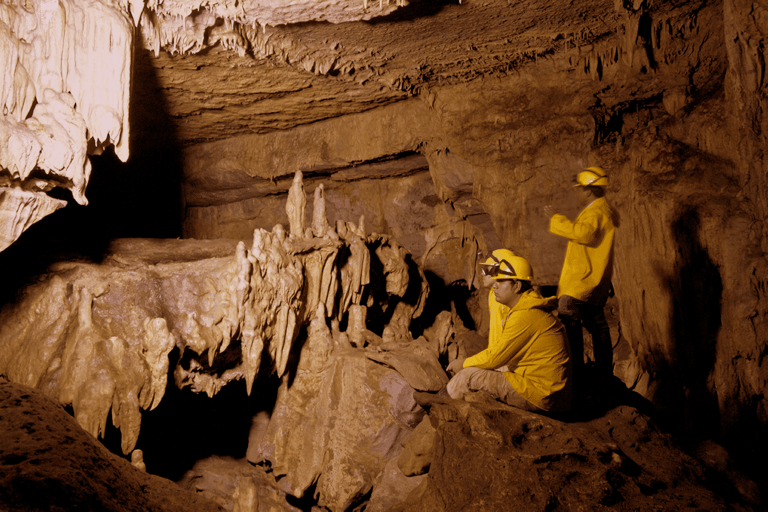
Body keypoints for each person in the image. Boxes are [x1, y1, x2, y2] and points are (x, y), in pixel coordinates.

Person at [446, 249, 572, 413]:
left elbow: (495, 357)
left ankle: (439, 405)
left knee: (468, 376)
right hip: (543, 388)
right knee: (477, 372)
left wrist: (462, 364)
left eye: (502, 281)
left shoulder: (526, 315)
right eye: (495, 280)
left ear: (517, 285)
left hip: (542, 394)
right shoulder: (526, 308)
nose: (495, 285)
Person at [543, 166, 616, 389]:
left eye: (579, 189)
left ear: (588, 190)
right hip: (592, 279)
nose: (576, 193)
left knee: (567, 312)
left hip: (583, 280)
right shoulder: (601, 209)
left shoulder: (596, 212)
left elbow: (583, 233)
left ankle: (575, 370)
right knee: (597, 325)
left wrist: (557, 219)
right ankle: (603, 372)